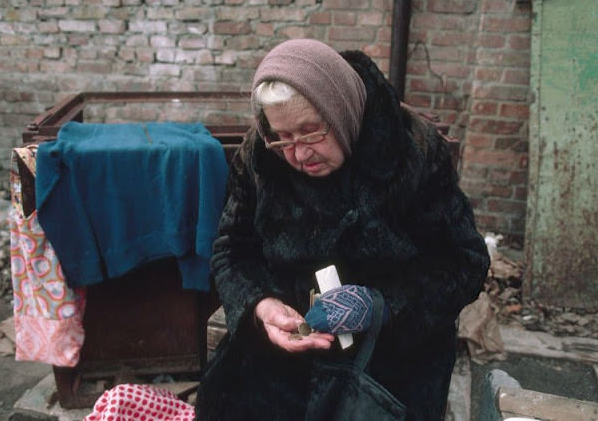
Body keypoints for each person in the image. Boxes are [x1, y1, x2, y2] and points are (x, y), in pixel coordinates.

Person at [195, 39, 490, 420]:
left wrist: (382, 305)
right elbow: (232, 249)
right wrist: (260, 307)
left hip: (389, 355)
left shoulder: (413, 152)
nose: (298, 153)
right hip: (290, 343)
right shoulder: (262, 154)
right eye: (282, 136)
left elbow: (464, 262)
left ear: (340, 112)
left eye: (312, 132)